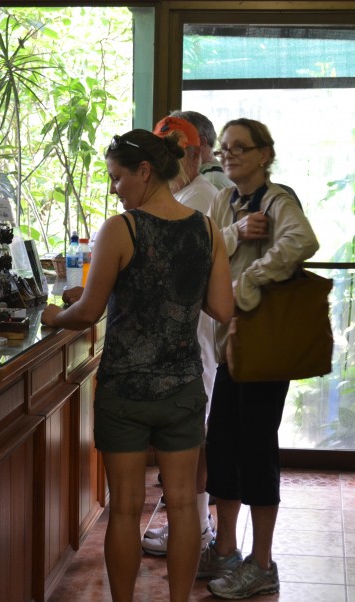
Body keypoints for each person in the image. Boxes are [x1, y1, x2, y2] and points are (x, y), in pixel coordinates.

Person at [41, 129, 233, 602]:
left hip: (126, 386)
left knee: (125, 509)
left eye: (118, 177)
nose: (114, 188)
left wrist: (52, 313)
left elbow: (88, 312)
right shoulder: (208, 230)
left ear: (145, 171)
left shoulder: (122, 229)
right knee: (184, 508)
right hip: (182, 386)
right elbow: (223, 308)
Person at [199, 118, 320, 599]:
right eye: (225, 148)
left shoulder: (277, 199)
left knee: (256, 450)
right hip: (232, 345)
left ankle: (262, 562)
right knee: (222, 445)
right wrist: (235, 235)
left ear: (265, 154)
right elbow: (209, 248)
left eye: (240, 148)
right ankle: (225, 550)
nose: (229, 155)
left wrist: (247, 282)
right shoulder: (227, 201)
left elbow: (302, 241)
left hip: (264, 345)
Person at [141, 115, 218, 557]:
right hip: (189, 336)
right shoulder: (186, 194)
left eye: (176, 150)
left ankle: (198, 529)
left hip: (198, 336)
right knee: (188, 437)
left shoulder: (202, 197)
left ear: (196, 151)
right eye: (162, 151)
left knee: (194, 439)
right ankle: (194, 525)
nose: (170, 159)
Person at [169, 110, 233, 191]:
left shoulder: (210, 182)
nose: (168, 148)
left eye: (176, 140)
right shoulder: (209, 175)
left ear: (201, 143)